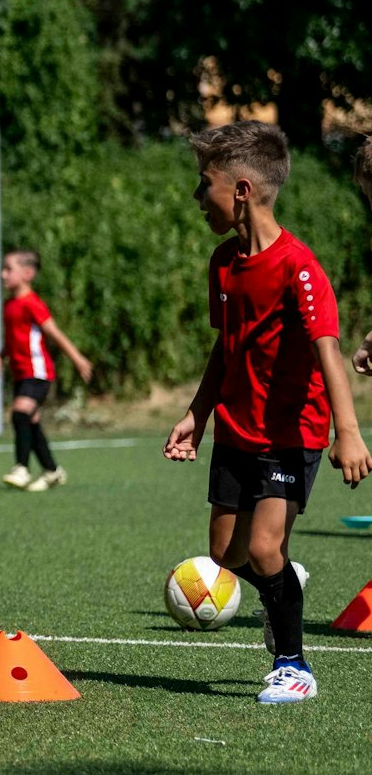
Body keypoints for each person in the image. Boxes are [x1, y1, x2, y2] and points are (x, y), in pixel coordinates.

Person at [163, 120, 369, 705]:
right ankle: (284, 581)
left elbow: (327, 350)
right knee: (225, 555)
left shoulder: (299, 266)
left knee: (259, 549)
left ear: (243, 190)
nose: (198, 197)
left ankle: (293, 666)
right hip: (235, 430)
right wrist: (196, 415)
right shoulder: (223, 263)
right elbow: (224, 347)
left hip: (290, 432)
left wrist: (347, 432)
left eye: (205, 184)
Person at [0, 250, 94, 491]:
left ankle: (22, 468)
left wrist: (78, 360)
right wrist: (0, 357)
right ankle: (52, 471)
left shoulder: (32, 304)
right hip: (20, 373)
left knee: (19, 414)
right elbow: (14, 339)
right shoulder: (10, 305)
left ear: (28, 273)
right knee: (31, 422)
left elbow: (54, 333)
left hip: (38, 373)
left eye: (8, 269)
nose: (2, 274)